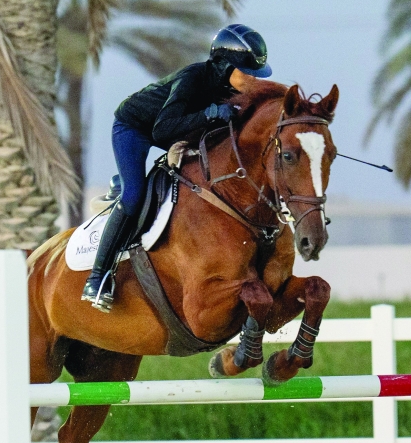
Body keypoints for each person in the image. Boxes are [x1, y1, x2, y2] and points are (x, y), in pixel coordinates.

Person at [81, 23, 273, 311]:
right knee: (133, 196)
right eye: (247, 72)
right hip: (135, 128)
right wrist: (209, 114)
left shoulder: (229, 90)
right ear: (224, 67)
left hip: (174, 129)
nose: (253, 79)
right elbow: (161, 130)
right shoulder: (192, 79)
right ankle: (97, 278)